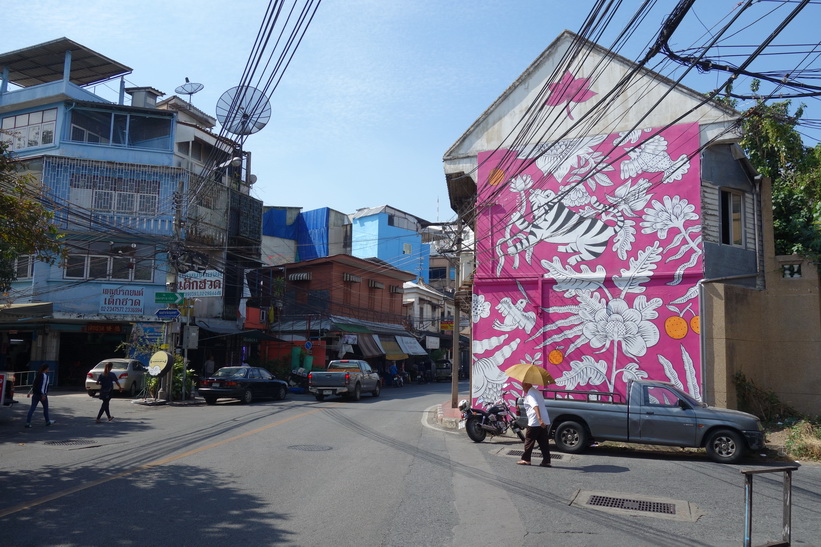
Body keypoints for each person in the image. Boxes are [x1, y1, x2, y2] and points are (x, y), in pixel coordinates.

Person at [517, 381, 551, 467]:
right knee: (543, 442)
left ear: (527, 385)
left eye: (523, 385)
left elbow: (535, 406)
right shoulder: (537, 392)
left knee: (529, 440)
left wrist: (539, 419)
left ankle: (526, 459)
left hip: (535, 421)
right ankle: (546, 461)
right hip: (544, 420)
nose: (522, 388)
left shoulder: (530, 394)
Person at [26, 364, 55, 428]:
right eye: (48, 368)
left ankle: (28, 422)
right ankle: (47, 421)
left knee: (32, 409)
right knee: (45, 408)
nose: (48, 370)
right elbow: (43, 387)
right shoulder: (45, 376)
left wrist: (29, 392)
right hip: (42, 395)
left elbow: (35, 385)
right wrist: (44, 394)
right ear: (46, 369)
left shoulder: (38, 375)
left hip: (35, 395)